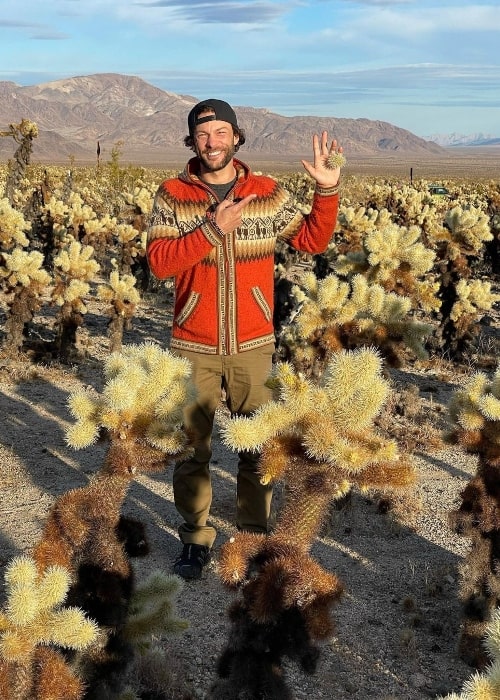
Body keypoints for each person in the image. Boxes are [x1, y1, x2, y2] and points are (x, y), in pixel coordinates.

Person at [147, 98, 342, 579]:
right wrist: (213, 229)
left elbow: (312, 240)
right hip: (193, 342)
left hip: (254, 342)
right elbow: (159, 263)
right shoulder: (172, 195)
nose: (211, 142)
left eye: (220, 133)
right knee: (193, 448)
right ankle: (195, 538)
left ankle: (252, 536)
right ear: (191, 141)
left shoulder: (267, 193)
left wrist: (328, 190)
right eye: (202, 134)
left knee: (257, 447)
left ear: (236, 137)